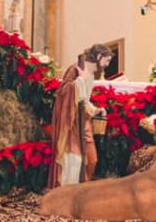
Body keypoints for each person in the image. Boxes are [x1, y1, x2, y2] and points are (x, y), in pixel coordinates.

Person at [47, 44, 112, 189]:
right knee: (74, 159)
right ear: (99, 57)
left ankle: (82, 190)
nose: (107, 65)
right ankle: (67, 192)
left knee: (92, 160)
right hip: (71, 120)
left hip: (84, 121)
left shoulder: (92, 74)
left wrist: (96, 110)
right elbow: (64, 91)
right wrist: (80, 80)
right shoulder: (76, 69)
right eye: (106, 60)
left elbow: (85, 100)